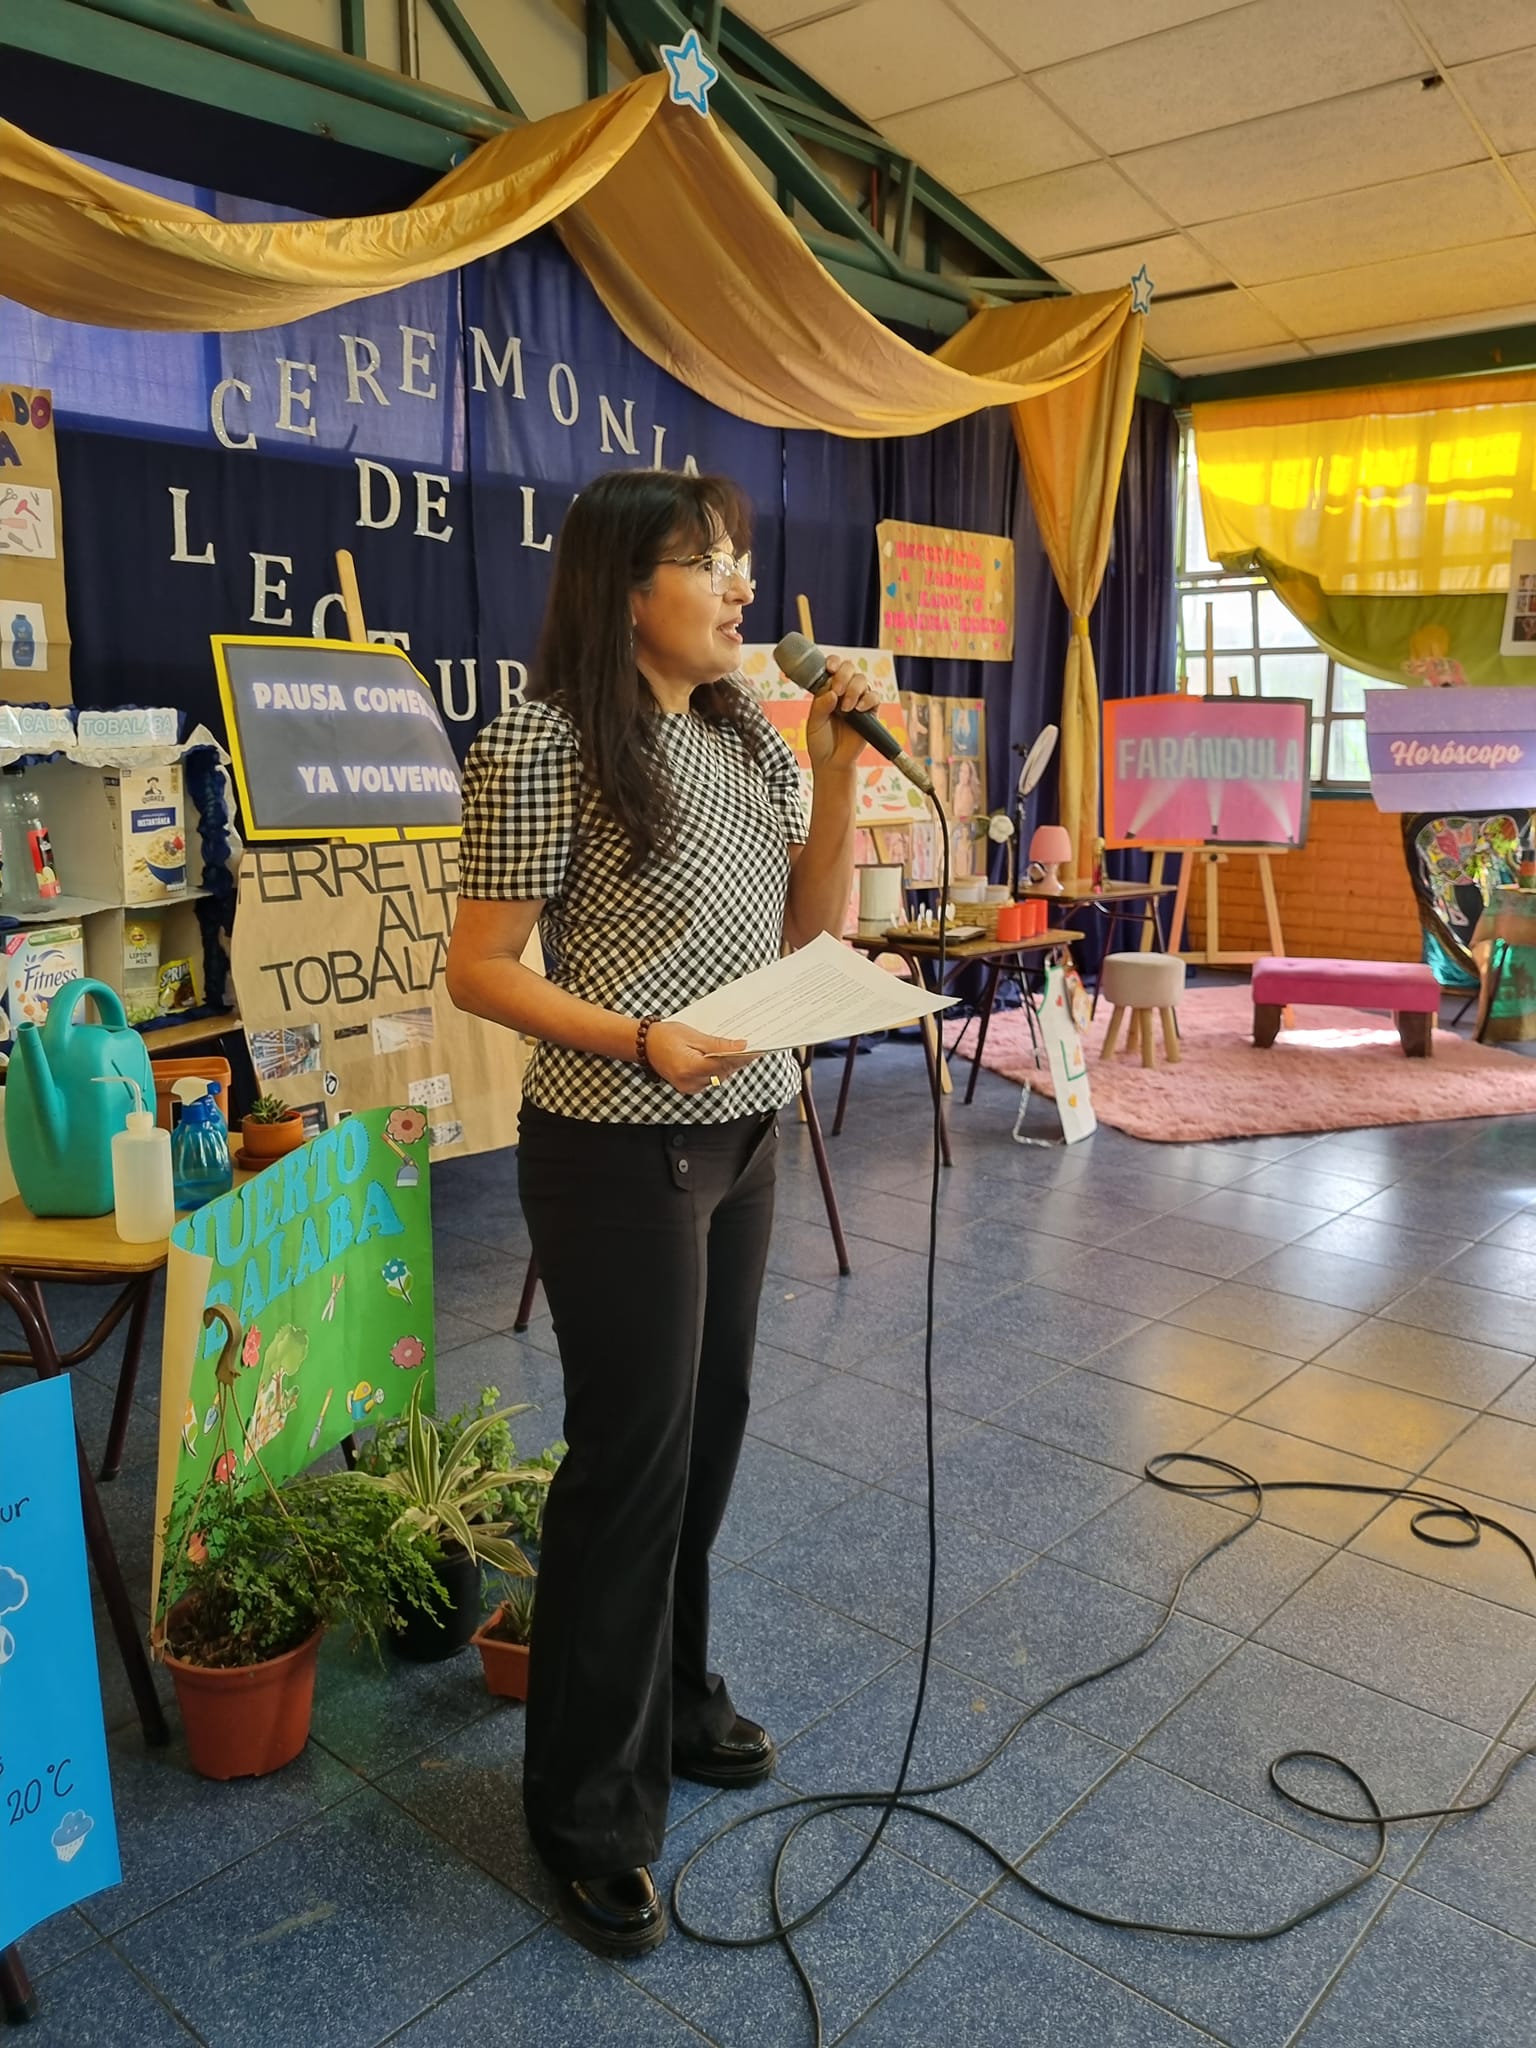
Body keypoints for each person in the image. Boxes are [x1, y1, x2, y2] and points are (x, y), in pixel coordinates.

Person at [445, 468, 875, 1957]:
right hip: (616, 1146)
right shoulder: (548, 740)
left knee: (710, 1435)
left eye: (743, 558)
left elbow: (807, 929)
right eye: (711, 561)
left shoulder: (746, 732)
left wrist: (836, 774)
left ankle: (679, 1703)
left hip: (746, 1133)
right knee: (629, 1465)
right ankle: (585, 1811)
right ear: (628, 588)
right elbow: (479, 968)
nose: (744, 585)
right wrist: (639, 1036)